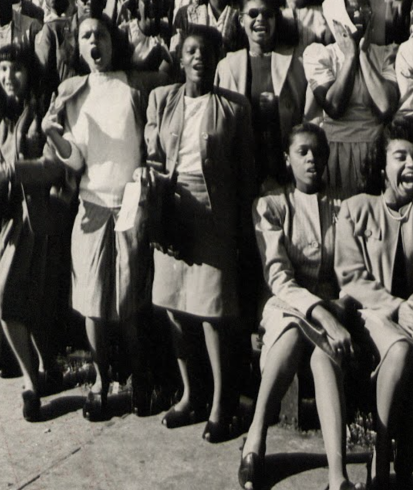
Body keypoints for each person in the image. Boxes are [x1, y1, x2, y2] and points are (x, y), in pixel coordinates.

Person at [41, 15, 166, 419]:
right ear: (77, 46)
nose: (94, 42)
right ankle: (101, 380)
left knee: (129, 302)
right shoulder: (72, 92)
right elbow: (76, 158)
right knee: (93, 302)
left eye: (101, 35)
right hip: (91, 206)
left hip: (129, 203)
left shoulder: (134, 84)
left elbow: (151, 139)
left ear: (114, 41)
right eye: (86, 36)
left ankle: (141, 377)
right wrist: (53, 133)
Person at [239, 124, 364, 490]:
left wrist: (339, 307)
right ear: (287, 159)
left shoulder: (345, 205)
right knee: (294, 331)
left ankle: (337, 476)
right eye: (303, 152)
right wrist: (321, 312)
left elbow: (354, 272)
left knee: (325, 353)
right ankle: (255, 439)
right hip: (288, 305)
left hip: (336, 309)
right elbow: (278, 278)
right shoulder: (272, 205)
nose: (312, 159)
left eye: (318, 152)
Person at [145, 26, 254, 442]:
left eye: (206, 52)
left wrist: (242, 232)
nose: (198, 59)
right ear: (180, 56)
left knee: (213, 313)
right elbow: (153, 156)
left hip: (216, 215)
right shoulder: (162, 98)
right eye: (190, 51)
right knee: (173, 307)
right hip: (170, 211)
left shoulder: (236, 108)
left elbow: (245, 175)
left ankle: (221, 405)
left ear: (217, 58)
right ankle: (191, 396)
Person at [0, 44, 65, 421]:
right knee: (14, 302)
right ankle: (41, 375)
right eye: (3, 69)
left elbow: (53, 167)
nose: (10, 77)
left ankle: (35, 381)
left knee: (10, 301)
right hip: (14, 218)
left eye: (18, 69)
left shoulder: (46, 110)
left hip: (45, 215)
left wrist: (6, 173)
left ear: (32, 72)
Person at [335, 117, 413, 490]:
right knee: (399, 349)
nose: (411, 165)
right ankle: (381, 454)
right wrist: (397, 306)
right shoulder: (356, 208)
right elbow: (350, 276)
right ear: (383, 166)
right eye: (401, 156)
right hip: (369, 317)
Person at [304, 0, 398, 198]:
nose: (358, 15)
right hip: (335, 152)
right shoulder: (319, 55)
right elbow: (334, 106)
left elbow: (385, 106)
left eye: (364, 9)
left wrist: (363, 56)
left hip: (375, 150)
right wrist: (349, 57)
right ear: (336, 15)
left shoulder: (386, 54)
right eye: (351, 10)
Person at [217, 0, 307, 187]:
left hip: (284, 163)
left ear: (276, 20)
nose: (260, 19)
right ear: (241, 20)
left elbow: (304, 115)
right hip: (242, 164)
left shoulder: (295, 63)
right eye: (253, 14)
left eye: (267, 14)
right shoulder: (227, 66)